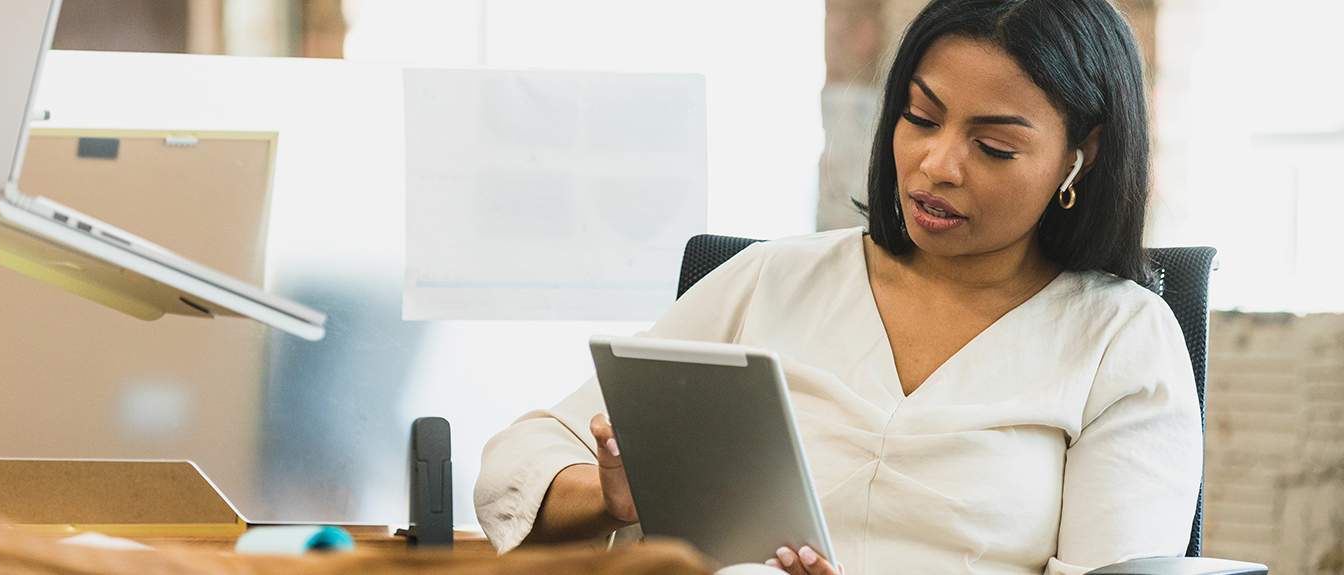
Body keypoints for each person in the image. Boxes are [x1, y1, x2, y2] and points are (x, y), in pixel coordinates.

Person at [474, 0, 1203, 574]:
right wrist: (606, 497)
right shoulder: (774, 277)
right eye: (920, 117)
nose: (937, 164)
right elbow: (522, 458)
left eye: (994, 146)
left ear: (1083, 155)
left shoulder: (1123, 341)